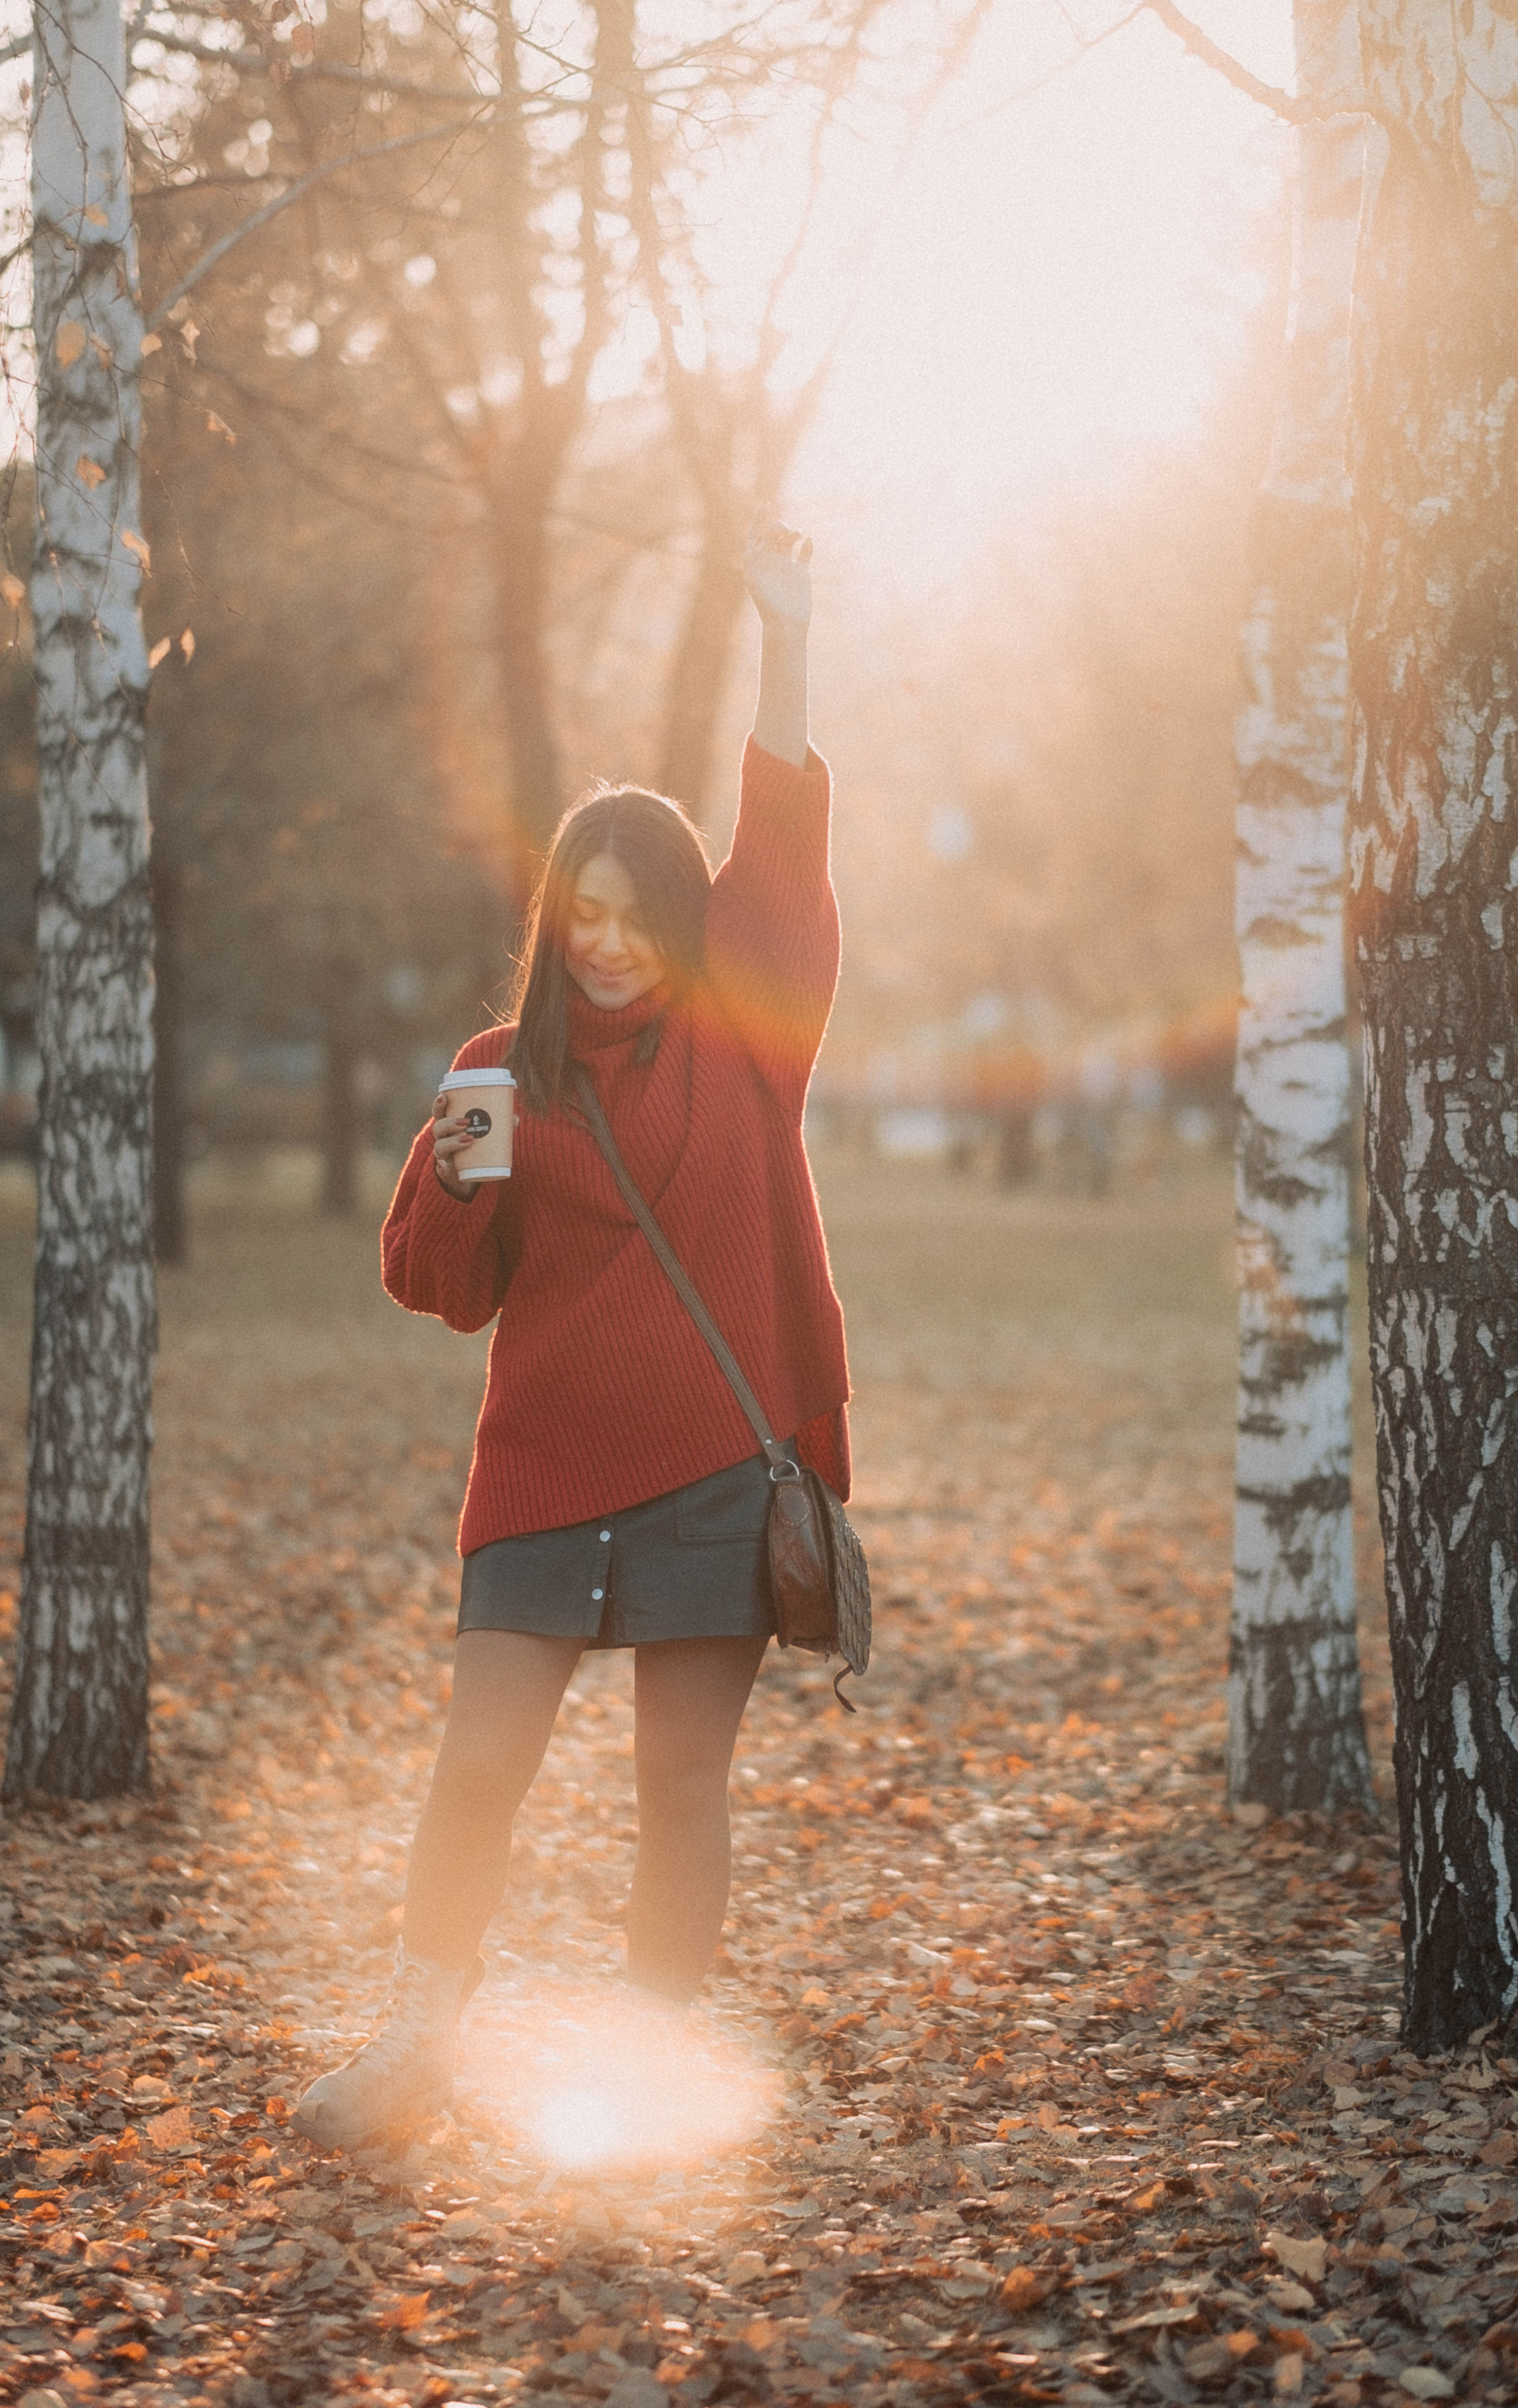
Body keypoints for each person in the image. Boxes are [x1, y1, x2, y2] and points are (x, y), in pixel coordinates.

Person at [293, 520, 851, 2151]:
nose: (605, 938)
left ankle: (654, 2071)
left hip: (708, 1473)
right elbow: (437, 1287)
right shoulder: (498, 1062)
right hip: (540, 1469)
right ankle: (416, 2045)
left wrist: (788, 644)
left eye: (633, 913)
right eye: (581, 912)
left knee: (676, 1786)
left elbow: (786, 843)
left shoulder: (750, 1033)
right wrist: (457, 1177)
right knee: (480, 1769)